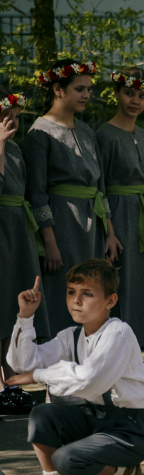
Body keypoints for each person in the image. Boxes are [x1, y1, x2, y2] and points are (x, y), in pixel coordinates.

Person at [5, 261, 144, 475]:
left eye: (87, 294)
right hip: (94, 418)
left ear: (110, 301)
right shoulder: (71, 336)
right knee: (42, 414)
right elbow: (24, 364)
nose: (76, 300)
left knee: (67, 459)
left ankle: (125, 474)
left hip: (130, 428)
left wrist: (39, 376)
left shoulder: (118, 332)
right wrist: (25, 317)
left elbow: (91, 379)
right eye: (71, 292)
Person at [25, 59, 117, 335]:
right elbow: (37, 194)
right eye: (79, 89)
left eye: (89, 89)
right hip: (62, 224)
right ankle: (60, 356)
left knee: (92, 291)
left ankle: (90, 354)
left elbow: (100, 187)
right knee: (65, 291)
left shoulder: (87, 131)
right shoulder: (39, 133)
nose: (87, 94)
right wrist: (49, 243)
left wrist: (109, 233)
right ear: (58, 89)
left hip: (92, 226)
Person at [96, 69, 144, 360]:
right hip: (119, 216)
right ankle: (114, 362)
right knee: (119, 287)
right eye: (129, 93)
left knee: (141, 288)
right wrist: (109, 231)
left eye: (143, 95)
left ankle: (135, 362)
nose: (136, 100)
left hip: (143, 216)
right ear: (116, 93)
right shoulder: (105, 135)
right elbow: (100, 186)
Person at [0, 88, 49, 416]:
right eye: (7, 117)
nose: (13, 123)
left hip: (18, 227)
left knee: (10, 303)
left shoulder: (16, 148)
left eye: (16, 117)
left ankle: (10, 378)